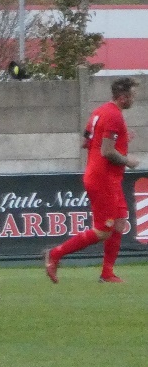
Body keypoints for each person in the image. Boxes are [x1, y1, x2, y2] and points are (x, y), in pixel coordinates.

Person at [45, 77, 139, 284]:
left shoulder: (99, 112)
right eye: (133, 95)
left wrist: (123, 140)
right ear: (123, 98)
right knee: (103, 231)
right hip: (103, 178)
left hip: (106, 177)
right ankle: (55, 254)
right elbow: (107, 151)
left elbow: (86, 142)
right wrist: (128, 161)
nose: (134, 99)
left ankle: (107, 273)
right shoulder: (114, 115)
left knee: (119, 222)